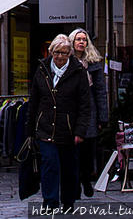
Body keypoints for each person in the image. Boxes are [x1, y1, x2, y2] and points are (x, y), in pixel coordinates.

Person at [26, 34, 91, 212]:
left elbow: (85, 105)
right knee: (49, 164)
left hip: (68, 129)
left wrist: (80, 131)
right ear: (51, 52)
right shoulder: (42, 69)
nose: (60, 56)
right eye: (56, 52)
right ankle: (50, 202)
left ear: (69, 54)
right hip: (45, 128)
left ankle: (68, 201)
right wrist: (30, 129)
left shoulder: (78, 72)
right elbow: (34, 101)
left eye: (64, 53)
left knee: (68, 168)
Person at [69, 28, 109, 198]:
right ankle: (76, 183)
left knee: (87, 149)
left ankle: (86, 178)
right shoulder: (67, 62)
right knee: (73, 150)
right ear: (72, 42)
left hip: (90, 109)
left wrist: (102, 117)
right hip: (72, 110)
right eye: (78, 39)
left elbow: (100, 91)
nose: (81, 42)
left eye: (84, 39)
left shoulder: (93, 64)